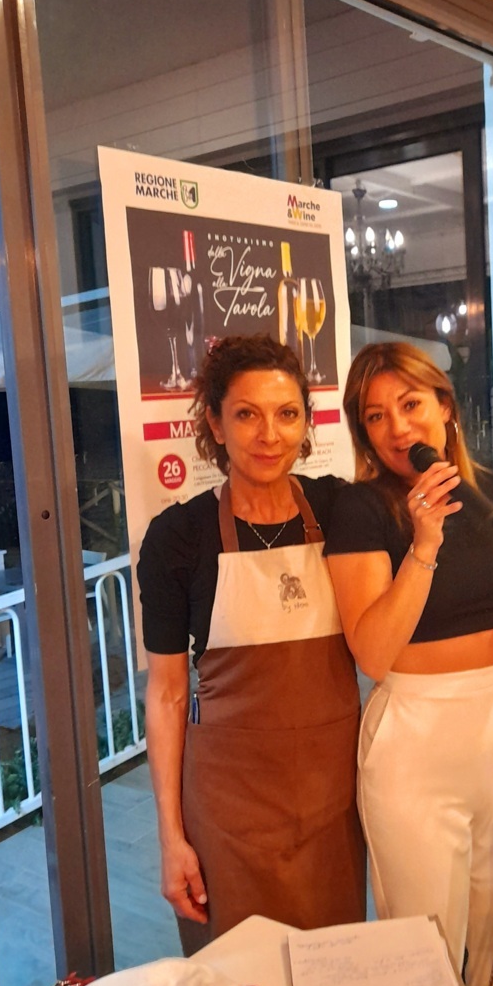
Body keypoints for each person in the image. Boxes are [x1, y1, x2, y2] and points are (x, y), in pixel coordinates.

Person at [324, 341, 493, 986]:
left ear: (445, 407)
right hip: (414, 734)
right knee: (423, 945)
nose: (398, 428)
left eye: (410, 405)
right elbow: (373, 653)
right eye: (376, 416)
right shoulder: (360, 510)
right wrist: (423, 542)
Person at [137, 335, 365, 954]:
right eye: (246, 414)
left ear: (306, 423)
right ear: (215, 423)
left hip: (333, 801)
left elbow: (419, 609)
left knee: (332, 974)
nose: (269, 435)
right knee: (234, 982)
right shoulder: (178, 537)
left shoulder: (340, 511)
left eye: (287, 414)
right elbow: (166, 694)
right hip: (227, 811)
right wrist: (171, 838)